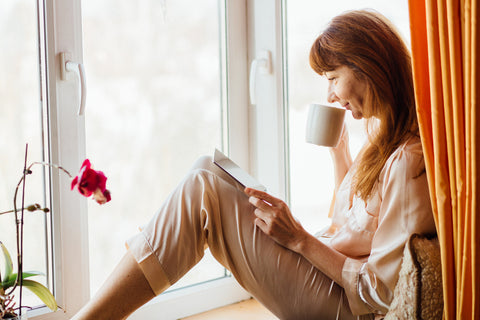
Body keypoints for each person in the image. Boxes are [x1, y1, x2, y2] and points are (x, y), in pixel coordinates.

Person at [72, 9, 436, 320]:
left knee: (205, 188)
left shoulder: (408, 161)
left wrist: (300, 240)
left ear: (367, 68)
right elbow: (349, 224)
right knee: (207, 168)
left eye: (332, 79)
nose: (329, 95)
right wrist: (339, 154)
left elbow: (381, 291)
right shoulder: (385, 141)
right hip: (330, 274)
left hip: (347, 306)